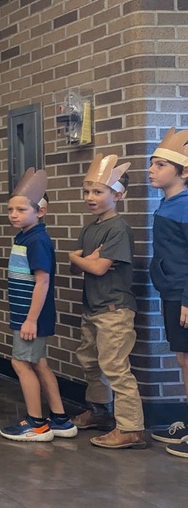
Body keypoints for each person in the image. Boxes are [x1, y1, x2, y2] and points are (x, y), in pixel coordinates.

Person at [69, 153, 146, 449]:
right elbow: (76, 268)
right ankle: (101, 412)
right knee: (90, 362)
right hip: (93, 307)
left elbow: (99, 268)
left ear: (118, 195)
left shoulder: (118, 229)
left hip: (114, 309)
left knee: (115, 367)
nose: (90, 197)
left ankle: (131, 427)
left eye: (98, 191)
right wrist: (82, 260)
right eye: (87, 191)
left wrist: (78, 258)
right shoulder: (90, 229)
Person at [0, 169, 76, 442]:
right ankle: (60, 419)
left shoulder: (37, 240)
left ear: (40, 211)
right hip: (26, 316)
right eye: (10, 209)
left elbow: (42, 282)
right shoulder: (24, 236)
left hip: (31, 318)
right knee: (39, 363)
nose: (13, 214)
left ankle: (37, 424)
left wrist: (30, 320)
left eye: (21, 209)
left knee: (20, 363)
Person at [146, 128, 188, 457]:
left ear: (183, 172)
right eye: (152, 164)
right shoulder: (169, 204)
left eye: (160, 165)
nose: (151, 170)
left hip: (183, 295)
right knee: (183, 358)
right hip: (171, 292)